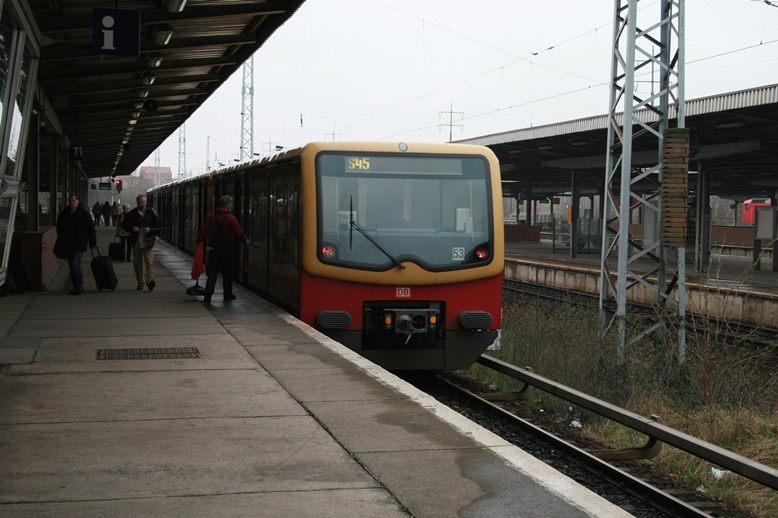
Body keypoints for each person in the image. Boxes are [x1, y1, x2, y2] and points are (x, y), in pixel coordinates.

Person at [196, 195, 248, 303]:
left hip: (214, 249)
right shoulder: (231, 218)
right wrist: (245, 240)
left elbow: (203, 230)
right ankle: (227, 294)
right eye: (230, 205)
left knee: (213, 272)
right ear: (228, 205)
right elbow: (238, 232)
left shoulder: (211, 216)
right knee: (227, 273)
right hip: (227, 250)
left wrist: (199, 240)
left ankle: (209, 292)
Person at [56, 194, 97, 295]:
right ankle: (76, 285)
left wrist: (93, 243)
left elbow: (91, 229)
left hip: (79, 243)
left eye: (73, 201)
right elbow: (59, 226)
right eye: (70, 201)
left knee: (75, 264)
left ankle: (79, 286)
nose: (71, 203)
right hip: (68, 243)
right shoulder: (65, 213)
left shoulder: (84, 214)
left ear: (78, 201)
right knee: (72, 265)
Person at [121, 194, 162, 291]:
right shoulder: (132, 213)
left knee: (149, 262)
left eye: (142, 202)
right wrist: (132, 228)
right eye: (138, 202)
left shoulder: (151, 213)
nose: (140, 204)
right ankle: (140, 282)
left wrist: (150, 230)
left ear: (146, 202)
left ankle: (149, 280)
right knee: (137, 263)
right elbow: (124, 224)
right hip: (136, 243)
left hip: (148, 243)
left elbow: (160, 227)